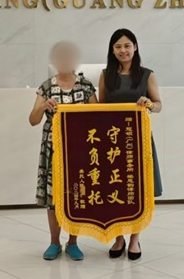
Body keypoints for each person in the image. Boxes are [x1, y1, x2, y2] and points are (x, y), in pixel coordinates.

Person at [98, 28, 163, 261]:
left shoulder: (147, 75)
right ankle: (118, 237)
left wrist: (149, 103)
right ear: (112, 50)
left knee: (138, 191)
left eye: (127, 45)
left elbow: (158, 105)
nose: (123, 50)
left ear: (135, 47)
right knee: (115, 189)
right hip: (112, 141)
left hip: (138, 140)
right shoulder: (105, 75)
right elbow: (100, 107)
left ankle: (135, 239)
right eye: (118, 46)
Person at [29, 41, 97, 261]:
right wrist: (42, 106)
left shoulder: (86, 86)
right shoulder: (46, 86)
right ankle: (54, 242)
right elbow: (33, 120)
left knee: (77, 195)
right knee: (54, 196)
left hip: (79, 148)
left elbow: (98, 116)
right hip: (53, 148)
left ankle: (73, 242)